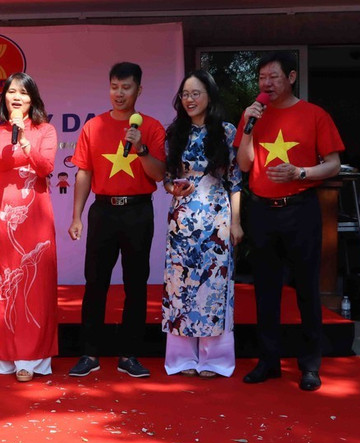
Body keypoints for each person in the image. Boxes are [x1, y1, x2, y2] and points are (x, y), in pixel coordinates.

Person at [235, 52, 343, 391]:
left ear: (292, 77)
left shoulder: (314, 115)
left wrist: (301, 172)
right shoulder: (252, 115)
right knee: (266, 289)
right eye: (262, 78)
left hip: (300, 209)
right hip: (262, 211)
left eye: (274, 76)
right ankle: (268, 361)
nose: (266, 83)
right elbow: (243, 165)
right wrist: (249, 127)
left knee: (306, 288)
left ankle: (310, 364)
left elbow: (333, 164)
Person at [67, 62, 166, 379]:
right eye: (114, 87)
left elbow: (159, 174)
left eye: (126, 87)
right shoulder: (93, 126)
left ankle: (129, 354)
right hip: (103, 211)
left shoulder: (152, 127)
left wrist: (141, 148)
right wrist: (77, 216)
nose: (119, 93)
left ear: (139, 89)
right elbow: (84, 172)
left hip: (138, 212)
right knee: (95, 283)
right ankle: (89, 353)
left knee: (136, 284)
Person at [161, 70, 243, 379]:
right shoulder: (175, 132)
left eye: (196, 93)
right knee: (180, 285)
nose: (189, 99)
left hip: (216, 215)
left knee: (213, 285)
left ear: (209, 96)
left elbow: (236, 181)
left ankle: (215, 359)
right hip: (182, 218)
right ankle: (182, 358)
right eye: (185, 94)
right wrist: (173, 188)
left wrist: (236, 223)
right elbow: (167, 179)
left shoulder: (226, 131)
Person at [0, 73, 58, 383]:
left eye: (23, 93)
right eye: (11, 92)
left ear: (32, 99)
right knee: (6, 285)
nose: (16, 97)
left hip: (37, 216)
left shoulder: (45, 130)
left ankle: (34, 358)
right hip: (5, 216)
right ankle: (9, 355)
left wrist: (24, 139)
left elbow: (46, 168)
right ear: (4, 98)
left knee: (36, 285)